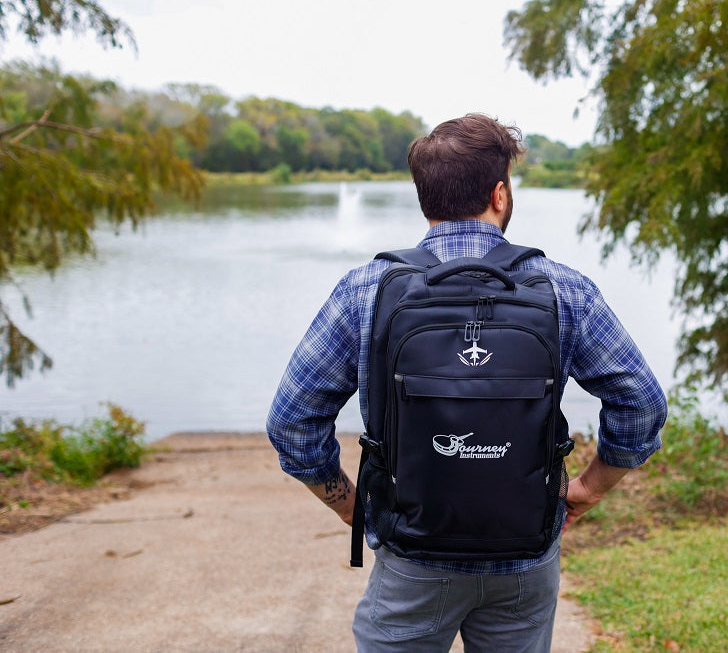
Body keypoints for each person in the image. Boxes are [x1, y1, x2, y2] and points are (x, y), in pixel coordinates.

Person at [267, 113, 667, 652]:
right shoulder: (562, 290)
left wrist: (352, 506)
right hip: (524, 556)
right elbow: (640, 403)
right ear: (499, 194)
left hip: (413, 555)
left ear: (425, 197)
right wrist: (588, 490)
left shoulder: (367, 289)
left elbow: (292, 421)